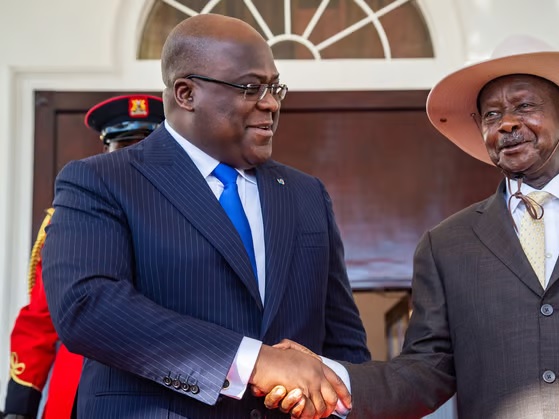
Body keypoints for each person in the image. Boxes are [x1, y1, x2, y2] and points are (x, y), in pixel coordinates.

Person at [268, 35, 559, 418]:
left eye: (525, 106)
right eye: (492, 114)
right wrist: (332, 377)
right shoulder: (445, 245)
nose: (507, 124)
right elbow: (425, 371)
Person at [41, 14, 369, 419]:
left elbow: (344, 342)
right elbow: (88, 307)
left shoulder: (307, 194)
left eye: (274, 87)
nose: (270, 103)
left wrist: (339, 403)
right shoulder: (102, 180)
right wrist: (254, 361)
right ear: (186, 93)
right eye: (250, 87)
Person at [2, 94, 165, 419]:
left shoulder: (194, 214)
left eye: (145, 148)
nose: (134, 160)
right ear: (106, 152)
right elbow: (41, 319)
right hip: (79, 389)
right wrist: (20, 407)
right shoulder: (71, 218)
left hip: (167, 388)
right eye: (124, 148)